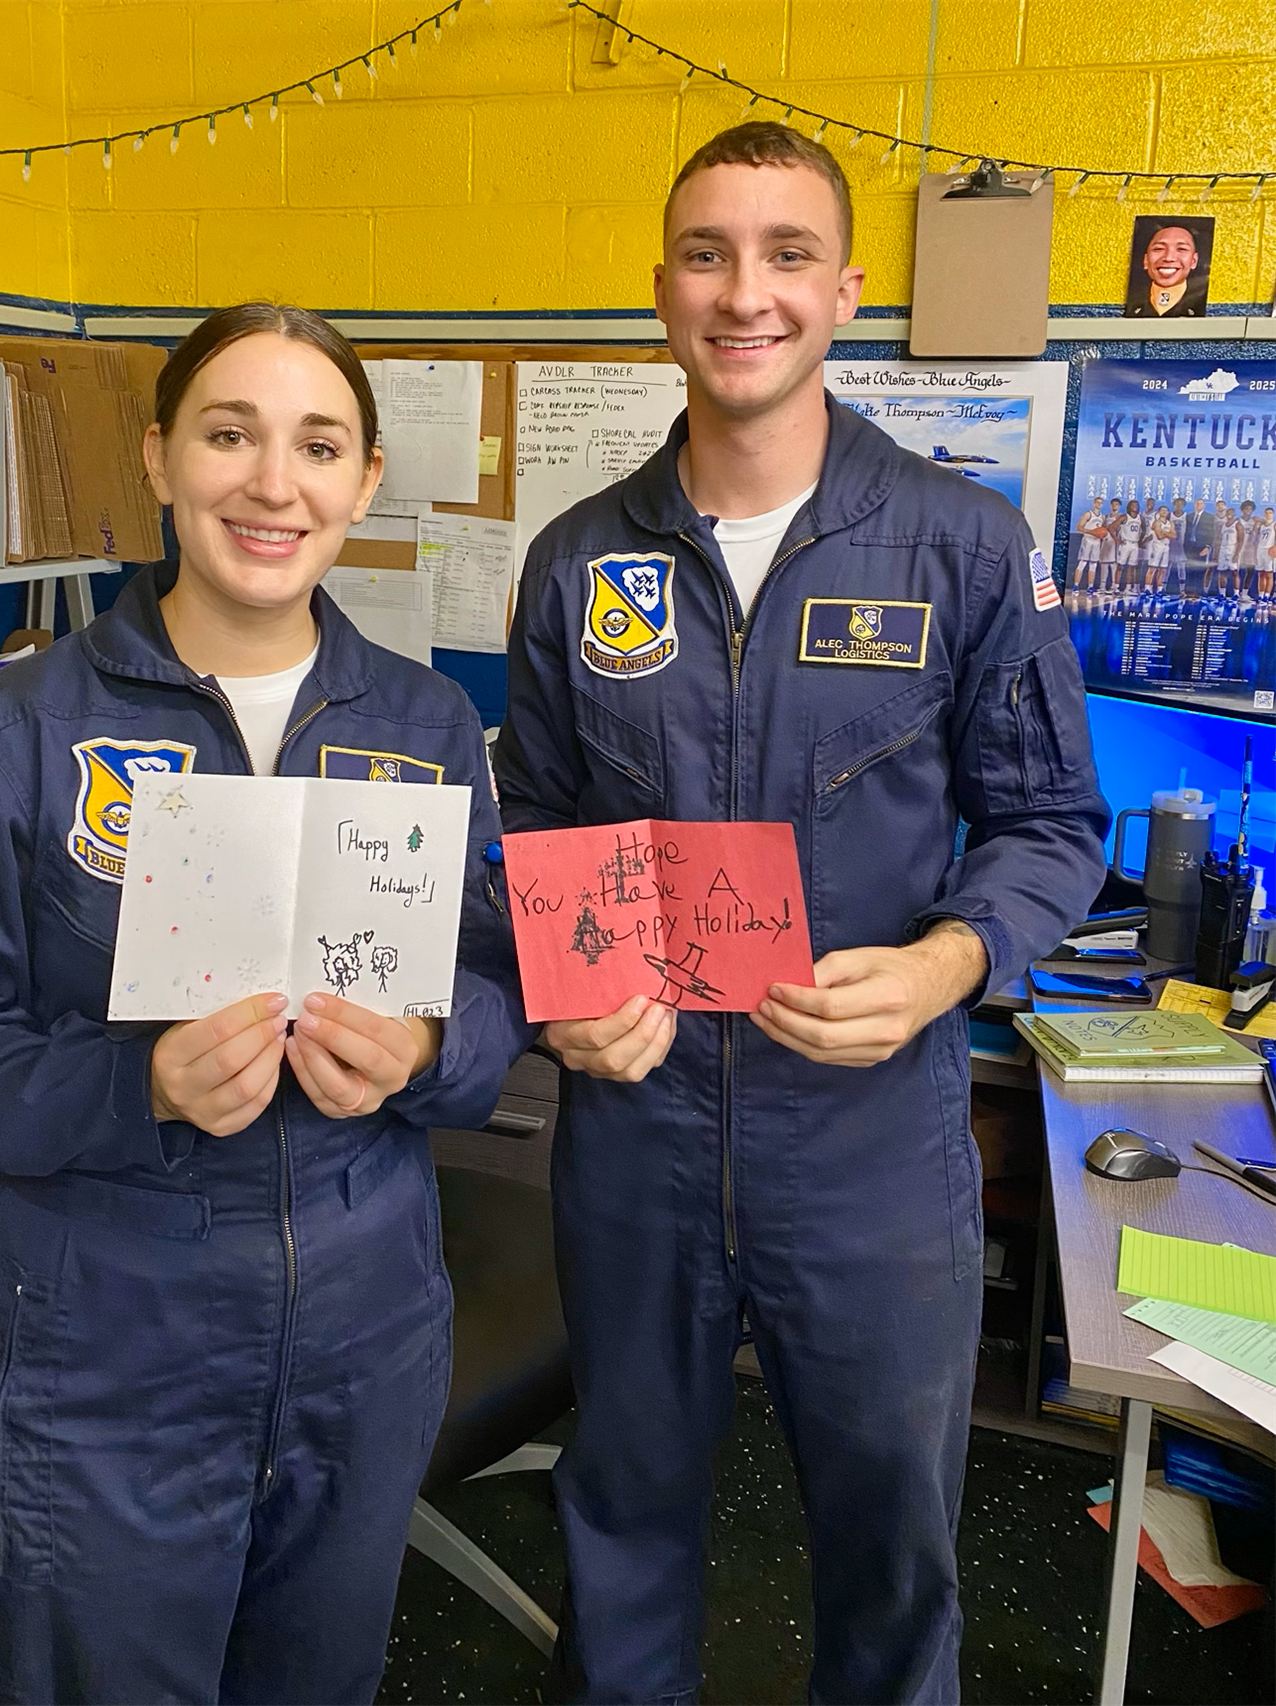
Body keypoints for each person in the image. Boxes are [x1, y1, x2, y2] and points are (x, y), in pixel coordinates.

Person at [495, 122, 1109, 1706]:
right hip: (636, 1135)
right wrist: (562, 989)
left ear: (845, 290)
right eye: (708, 253)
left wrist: (947, 964)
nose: (744, 291)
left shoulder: (965, 546)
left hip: (866, 1144)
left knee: (893, 1539)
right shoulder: (577, 564)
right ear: (662, 291)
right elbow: (542, 829)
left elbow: (1050, 825)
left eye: (784, 255)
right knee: (620, 1513)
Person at [0, 303, 526, 1706]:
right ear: (160, 458)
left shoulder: (423, 721)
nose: (274, 483)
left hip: (365, 1330)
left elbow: (505, 986)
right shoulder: (19, 730)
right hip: (102, 1354)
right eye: (230, 433)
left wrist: (430, 1041)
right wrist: (134, 1084)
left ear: (363, 482)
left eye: (317, 445)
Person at [1125, 222, 1209, 317]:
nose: (1169, 258)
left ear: (1193, 261)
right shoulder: (1132, 304)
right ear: (1145, 260)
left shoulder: (1203, 303)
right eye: (1159, 249)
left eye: (1181, 249)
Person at [1073, 495, 1106, 590]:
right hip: (1087, 539)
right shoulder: (1088, 514)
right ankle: (1076, 585)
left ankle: (1090, 586)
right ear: (1094, 503)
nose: (1099, 504)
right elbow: (1079, 528)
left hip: (1096, 541)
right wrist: (1092, 532)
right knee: (1083, 562)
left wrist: (1099, 534)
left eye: (1101, 503)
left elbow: (1101, 531)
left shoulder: (1102, 516)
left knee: (1093, 563)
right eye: (1097, 502)